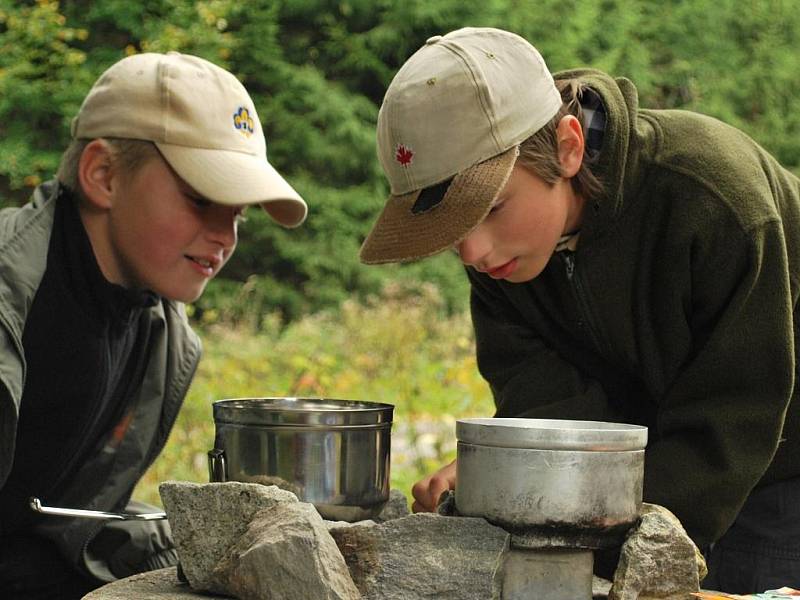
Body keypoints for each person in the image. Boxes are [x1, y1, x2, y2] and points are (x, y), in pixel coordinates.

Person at [359, 27, 800, 593]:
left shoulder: (715, 200)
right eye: (451, 230)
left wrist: (576, 524)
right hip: (642, 486)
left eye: (490, 209)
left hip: (777, 474)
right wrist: (503, 481)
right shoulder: (504, 259)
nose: (471, 252)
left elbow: (731, 425)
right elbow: (547, 407)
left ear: (568, 147)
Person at [0, 52, 307, 599]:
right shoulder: (13, 294)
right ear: (103, 175)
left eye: (238, 213)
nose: (225, 236)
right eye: (201, 199)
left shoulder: (160, 329)